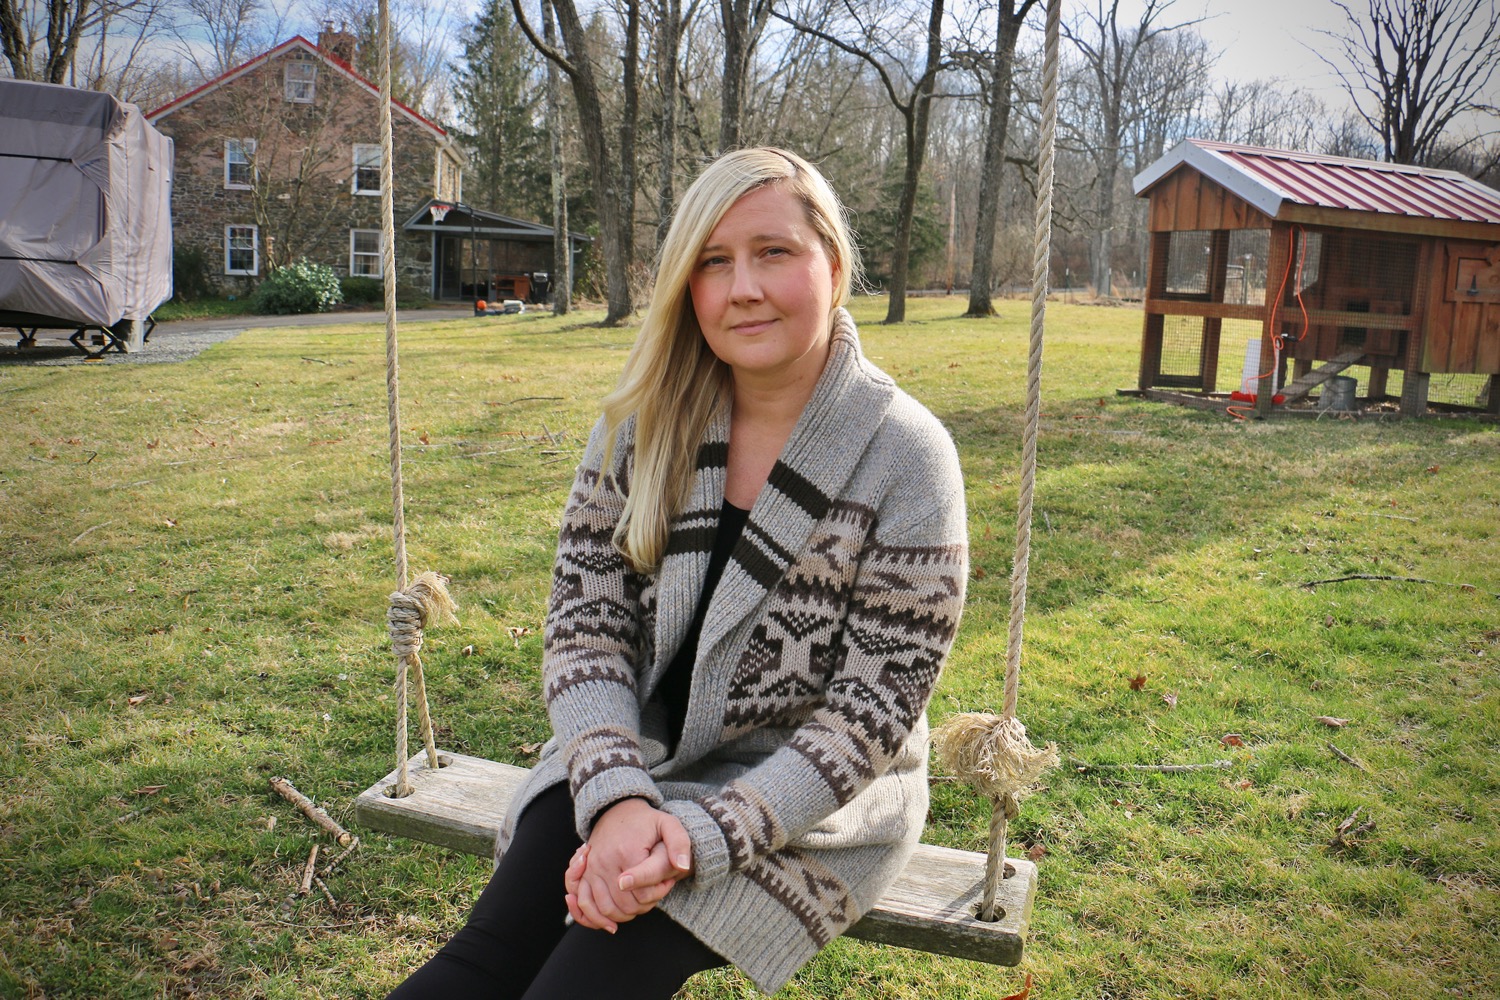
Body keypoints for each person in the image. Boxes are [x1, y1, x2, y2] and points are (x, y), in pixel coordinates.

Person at [386, 147, 968, 998]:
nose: (743, 288)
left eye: (774, 252)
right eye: (713, 262)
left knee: (582, 982)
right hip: (632, 747)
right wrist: (618, 797)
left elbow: (871, 712)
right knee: (482, 960)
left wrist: (697, 837)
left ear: (835, 267)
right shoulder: (642, 424)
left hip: (808, 798)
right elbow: (586, 630)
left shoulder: (906, 458)